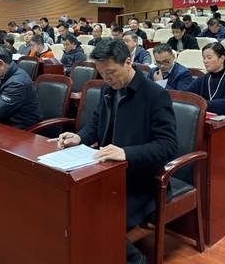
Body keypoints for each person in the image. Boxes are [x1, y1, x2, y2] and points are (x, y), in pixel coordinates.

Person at [56, 39, 178, 264]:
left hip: (140, 180)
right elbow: (97, 122)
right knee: (68, 205)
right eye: (102, 73)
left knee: (95, 216)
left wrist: (127, 153)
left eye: (111, 72)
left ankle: (135, 259)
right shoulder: (108, 89)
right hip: (105, 172)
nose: (107, 79)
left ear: (128, 62)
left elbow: (168, 145)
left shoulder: (155, 95)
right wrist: (80, 137)